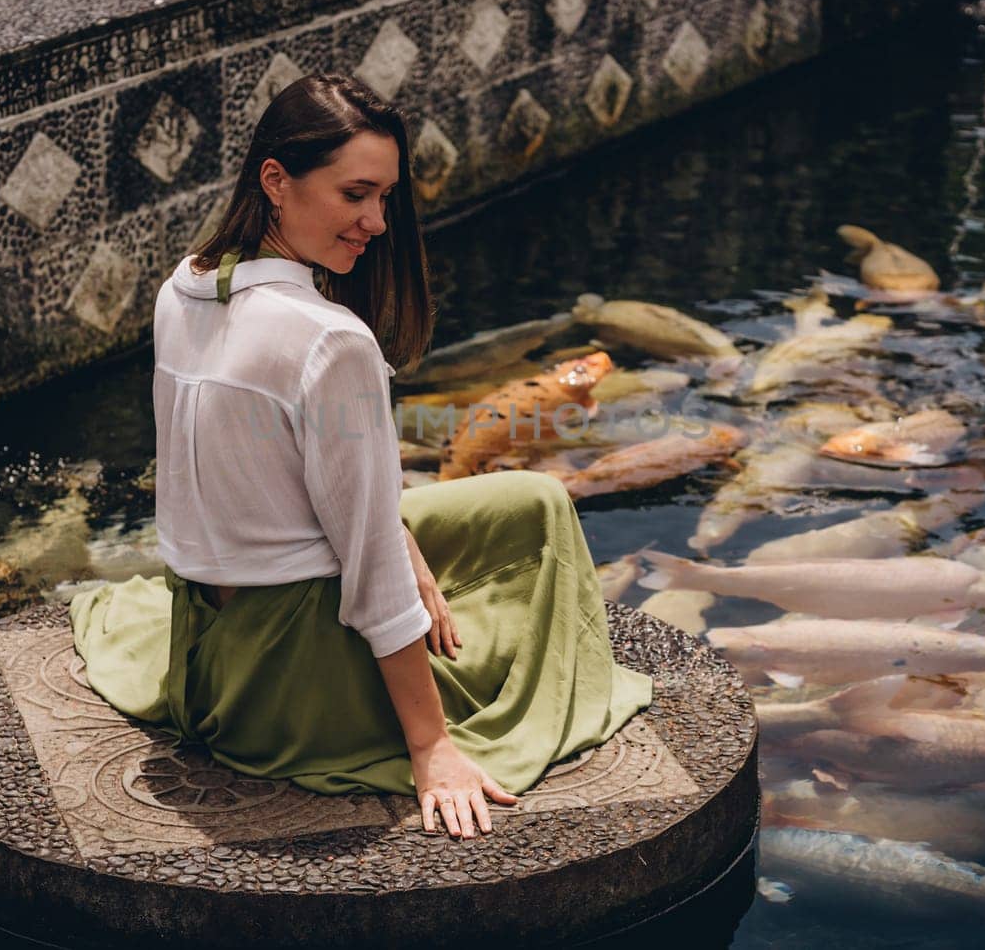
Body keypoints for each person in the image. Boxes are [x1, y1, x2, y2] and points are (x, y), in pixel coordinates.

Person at [70, 73, 652, 840]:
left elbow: (287, 487)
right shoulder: (330, 340)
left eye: (385, 198)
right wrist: (432, 746)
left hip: (205, 648)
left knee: (532, 499)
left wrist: (402, 541)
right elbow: (372, 576)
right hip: (291, 686)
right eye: (356, 195)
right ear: (275, 180)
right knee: (524, 574)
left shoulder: (188, 285)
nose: (377, 221)